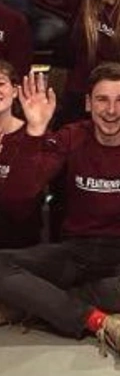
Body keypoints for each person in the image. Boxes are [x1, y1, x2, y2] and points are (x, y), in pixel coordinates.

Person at [0, 63, 120, 358]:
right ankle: (96, 319)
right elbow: (18, 195)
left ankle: (43, 303)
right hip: (75, 250)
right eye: (102, 99)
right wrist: (35, 132)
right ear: (88, 103)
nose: (111, 110)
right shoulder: (71, 136)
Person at [0, 66, 47, 248]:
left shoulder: (34, 134)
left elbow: (31, 195)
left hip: (20, 243)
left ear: (15, 91)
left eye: (1, 83)